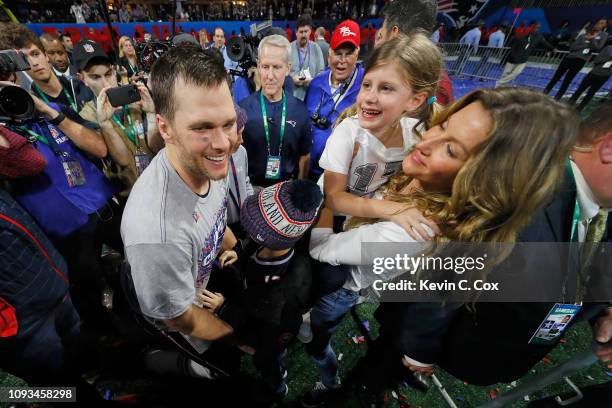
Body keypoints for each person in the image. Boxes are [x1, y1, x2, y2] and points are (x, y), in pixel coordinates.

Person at [309, 88, 579, 405]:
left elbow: (322, 250)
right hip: (354, 277)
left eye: (451, 149)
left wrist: (330, 199)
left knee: (316, 335)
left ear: (482, 182)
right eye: (442, 125)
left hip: (337, 284)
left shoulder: (416, 230)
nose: (424, 142)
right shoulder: (423, 177)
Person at [425, 100, 612, 387]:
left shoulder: (601, 211)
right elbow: (439, 278)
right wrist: (417, 347)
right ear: (608, 147)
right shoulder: (519, 195)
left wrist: (602, 311)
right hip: (451, 344)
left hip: (499, 354)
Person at [121, 44, 242, 379]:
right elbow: (177, 318)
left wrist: (234, 248)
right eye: (202, 128)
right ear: (165, 129)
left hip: (196, 283)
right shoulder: (156, 233)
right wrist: (238, 336)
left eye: (228, 123)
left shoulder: (205, 161)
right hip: (179, 320)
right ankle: (157, 365)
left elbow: (214, 215)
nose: (223, 143)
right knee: (212, 372)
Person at [0, 23, 122, 326]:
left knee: (138, 256)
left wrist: (49, 112)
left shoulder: (53, 109)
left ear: (16, 76)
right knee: (89, 289)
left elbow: (99, 148)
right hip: (65, 232)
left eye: (6, 79)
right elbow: (29, 163)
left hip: (102, 206)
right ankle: (109, 339)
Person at [320, 34, 442, 238]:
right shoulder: (348, 133)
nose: (369, 98)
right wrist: (391, 209)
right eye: (367, 85)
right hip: (331, 217)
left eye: (386, 88)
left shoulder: (417, 134)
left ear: (415, 100)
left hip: (366, 218)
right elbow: (332, 199)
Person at [217, 179, 322, 400]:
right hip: (258, 312)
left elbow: (261, 324)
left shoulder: (283, 292)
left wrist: (224, 308)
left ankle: (277, 386)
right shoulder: (279, 243)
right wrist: (241, 250)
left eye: (255, 230)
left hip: (266, 336)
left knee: (268, 361)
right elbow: (262, 237)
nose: (248, 229)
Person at [75, 39, 161, 196]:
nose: (105, 83)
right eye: (95, 77)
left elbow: (157, 147)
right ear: (83, 79)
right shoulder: (87, 116)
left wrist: (150, 113)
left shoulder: (137, 97)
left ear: (114, 70)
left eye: (108, 74)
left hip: (160, 182)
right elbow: (123, 161)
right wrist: (105, 124)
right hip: (130, 195)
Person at [239, 35, 311, 188]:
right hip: (251, 187)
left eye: (277, 67)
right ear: (258, 66)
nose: (270, 76)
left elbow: (304, 156)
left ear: (288, 68)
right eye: (265, 67)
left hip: (287, 188)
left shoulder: (300, 110)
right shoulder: (243, 109)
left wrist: (299, 189)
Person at [306, 20, 363, 180]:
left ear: (357, 54)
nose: (342, 60)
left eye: (348, 54)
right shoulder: (316, 83)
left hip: (342, 177)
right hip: (311, 171)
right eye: (338, 53)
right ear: (329, 54)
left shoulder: (366, 85)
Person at [377, 0, 453, 106]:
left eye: (383, 27)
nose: (380, 33)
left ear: (395, 33)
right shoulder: (439, 80)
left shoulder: (434, 90)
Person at [545, 18, 608, 100]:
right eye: (598, 22)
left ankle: (557, 97)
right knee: (556, 77)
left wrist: (592, 39)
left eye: (601, 23)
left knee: (567, 80)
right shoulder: (584, 34)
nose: (598, 24)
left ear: (605, 25)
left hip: (580, 61)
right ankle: (545, 92)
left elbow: (597, 48)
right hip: (569, 58)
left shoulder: (604, 35)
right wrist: (586, 44)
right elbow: (572, 47)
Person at [496, 22, 555, 86]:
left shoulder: (538, 36)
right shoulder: (522, 33)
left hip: (523, 59)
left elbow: (545, 43)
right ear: (530, 26)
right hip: (513, 57)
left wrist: (553, 49)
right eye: (535, 27)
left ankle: (500, 83)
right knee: (506, 73)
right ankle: (500, 87)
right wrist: (512, 53)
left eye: (538, 28)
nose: (536, 29)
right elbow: (513, 44)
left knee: (516, 73)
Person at [226, 103, 253, 236]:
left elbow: (246, 181)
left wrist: (251, 209)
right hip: (225, 229)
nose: (242, 140)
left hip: (245, 222)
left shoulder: (242, 151)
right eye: (238, 135)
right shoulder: (209, 164)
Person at [290, 14, 325, 101]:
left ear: (310, 31)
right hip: (294, 96)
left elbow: (321, 72)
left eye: (306, 31)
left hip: (313, 96)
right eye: (301, 32)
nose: (304, 35)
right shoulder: (289, 48)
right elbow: (283, 73)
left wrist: (313, 81)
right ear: (296, 32)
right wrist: (292, 79)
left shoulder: (316, 48)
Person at [568, 44, 612, 111]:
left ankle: (570, 103)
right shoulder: (609, 48)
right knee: (591, 92)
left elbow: (597, 60)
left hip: (595, 72)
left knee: (581, 88)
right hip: (605, 75)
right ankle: (580, 108)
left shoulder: (609, 47)